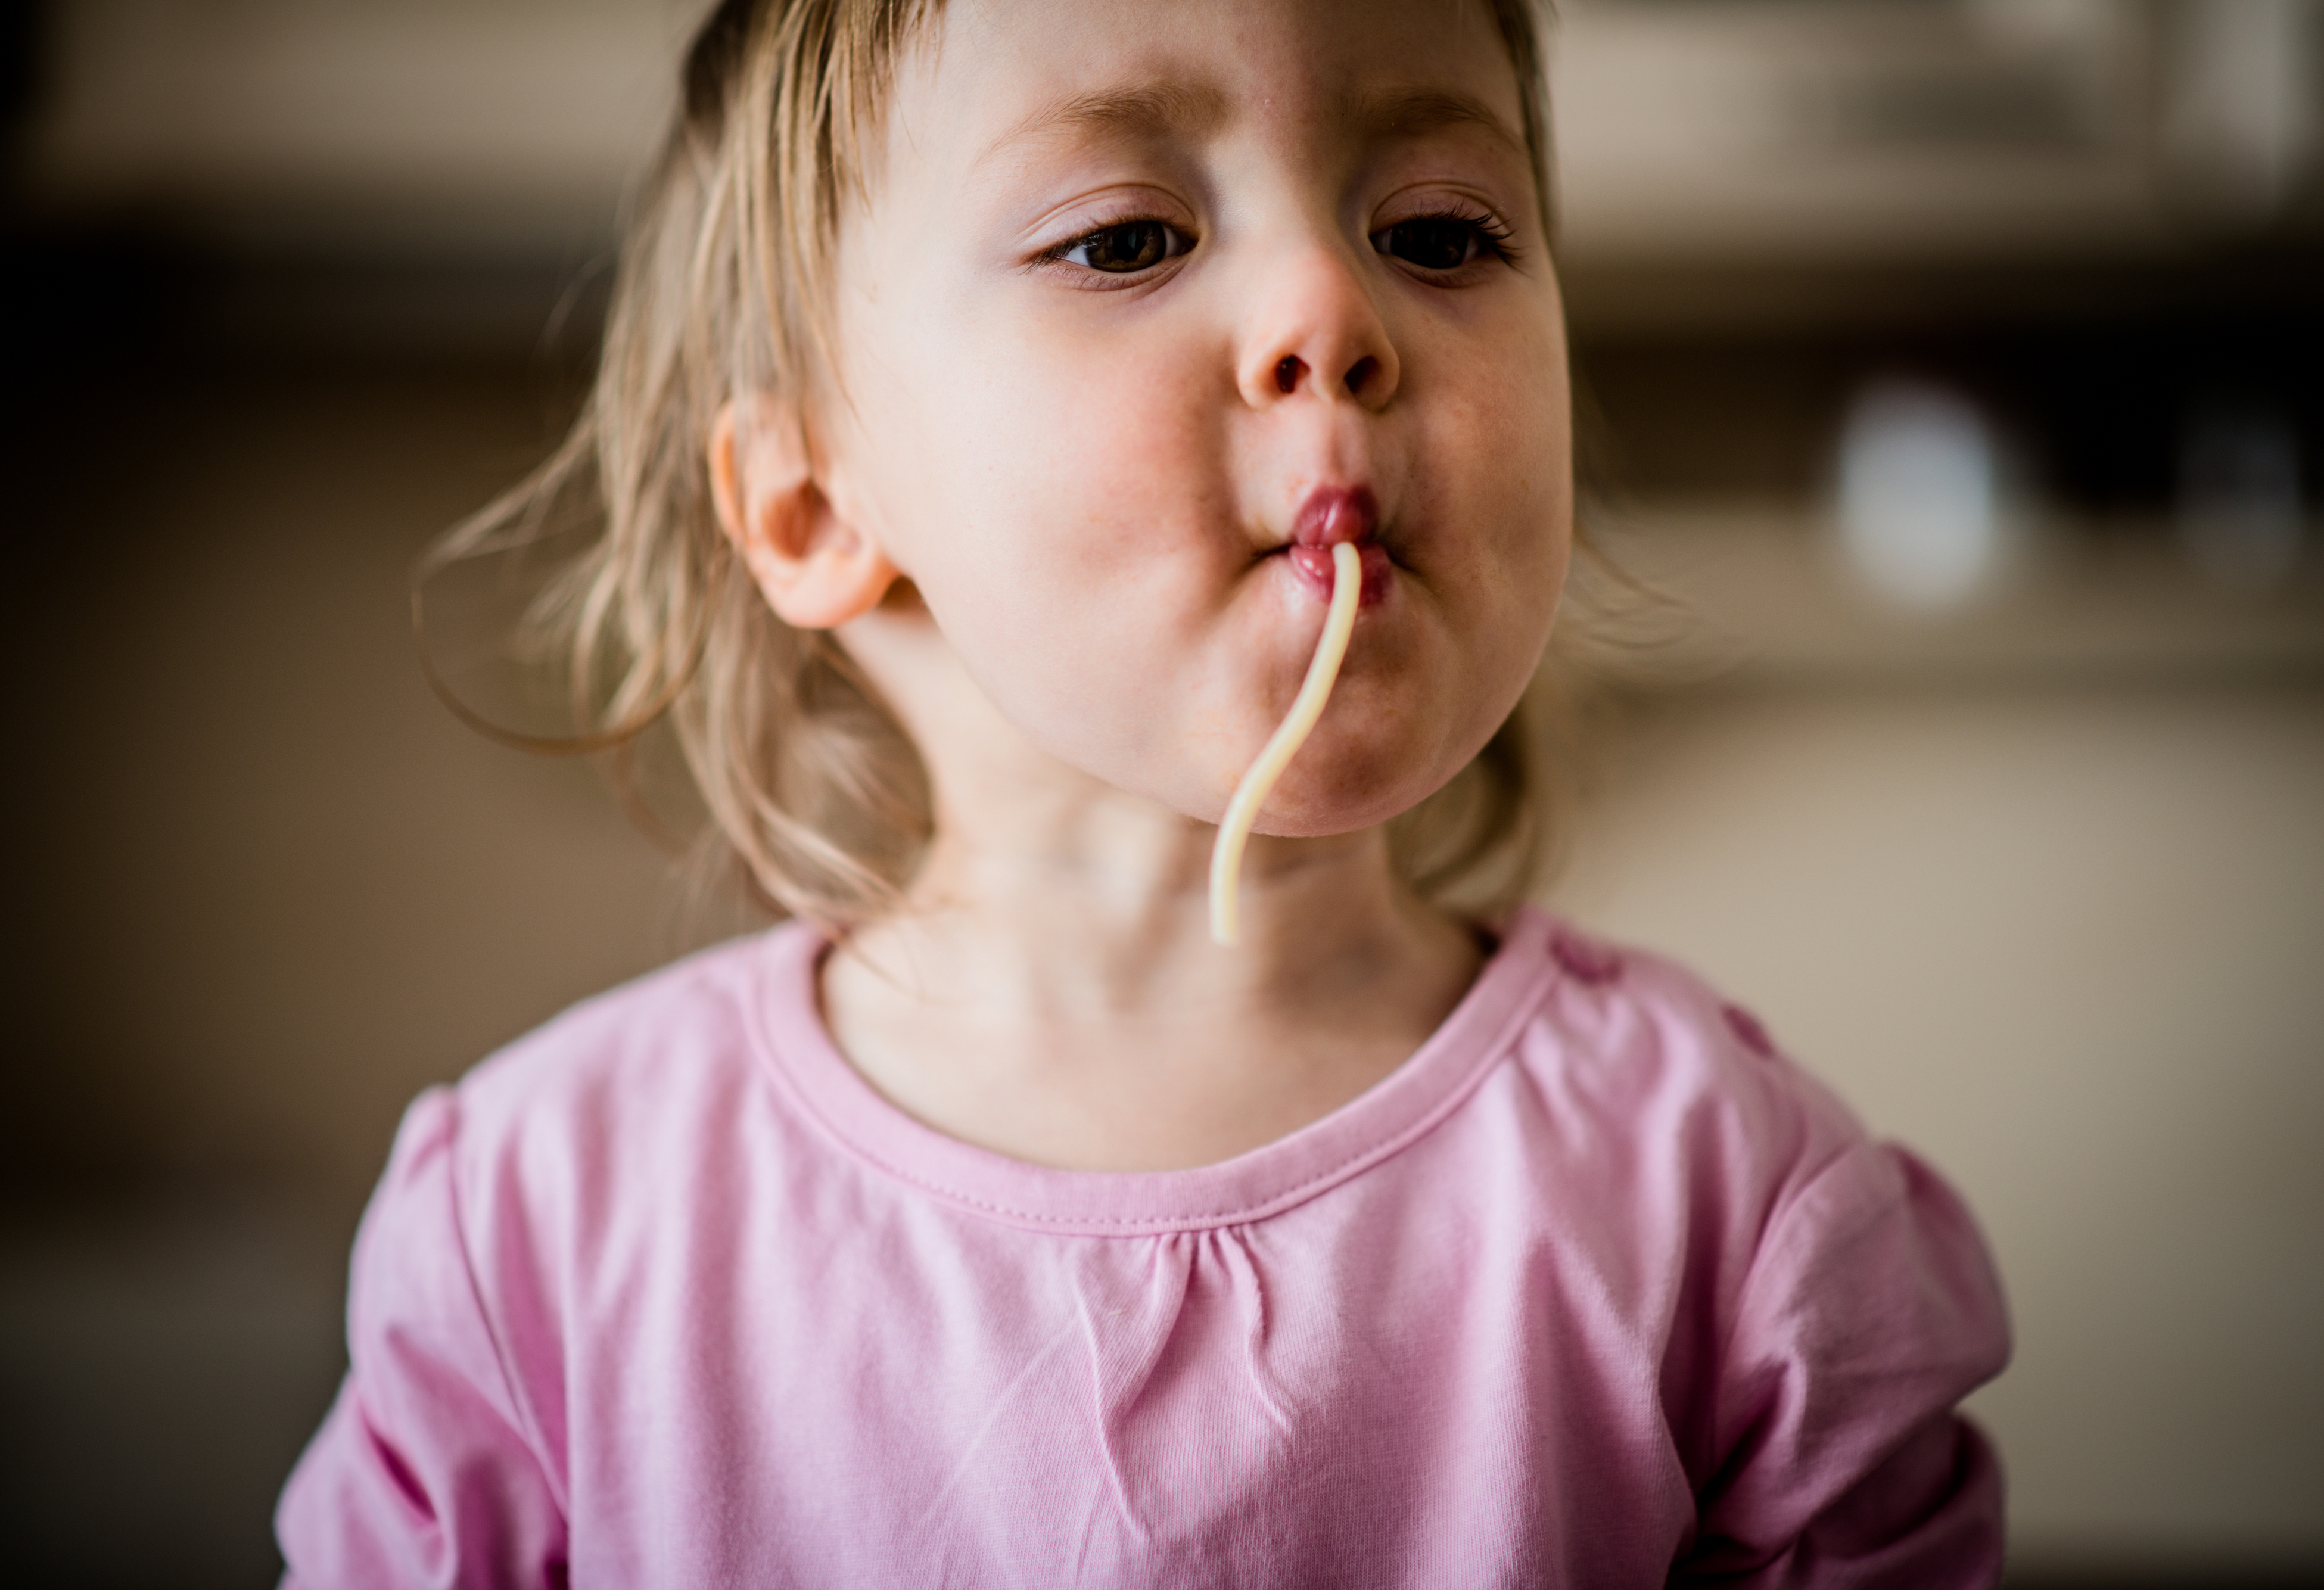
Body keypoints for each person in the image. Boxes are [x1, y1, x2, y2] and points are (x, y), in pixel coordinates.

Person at [276, 0, 2010, 1583]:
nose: (1335, 315)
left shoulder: (1726, 1212)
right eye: (1126, 239)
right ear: (812, 501)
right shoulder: (545, 1230)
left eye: (1438, 233)